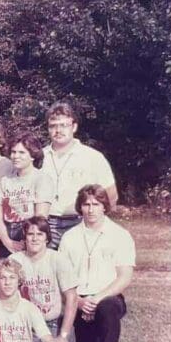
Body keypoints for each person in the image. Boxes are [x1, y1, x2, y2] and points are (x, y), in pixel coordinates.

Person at [57, 184, 135, 342]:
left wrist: (97, 298)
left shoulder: (120, 235)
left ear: (104, 206)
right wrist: (79, 301)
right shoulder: (69, 237)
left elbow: (124, 277)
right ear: (80, 207)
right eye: (86, 204)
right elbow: (63, 277)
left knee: (108, 307)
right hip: (78, 299)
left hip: (107, 297)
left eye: (96, 204)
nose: (91, 210)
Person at [40, 102, 118, 248]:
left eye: (64, 125)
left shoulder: (93, 157)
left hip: (80, 223)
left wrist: (94, 221)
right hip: (46, 225)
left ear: (74, 127)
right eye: (53, 126)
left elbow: (111, 196)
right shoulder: (38, 157)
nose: (58, 130)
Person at [9, 216, 74, 335]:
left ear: (47, 238)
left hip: (54, 323)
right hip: (26, 324)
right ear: (25, 237)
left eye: (40, 234)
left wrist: (63, 335)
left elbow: (72, 298)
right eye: (30, 234)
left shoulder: (58, 259)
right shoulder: (15, 260)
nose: (35, 238)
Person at [0, 131, 55, 255]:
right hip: (7, 233)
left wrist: (28, 242)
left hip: (30, 232)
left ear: (32, 156)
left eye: (22, 152)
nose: (16, 156)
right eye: (13, 152)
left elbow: (41, 217)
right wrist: (7, 242)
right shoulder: (5, 181)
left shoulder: (41, 178)